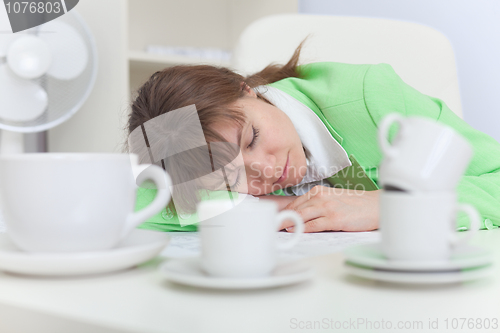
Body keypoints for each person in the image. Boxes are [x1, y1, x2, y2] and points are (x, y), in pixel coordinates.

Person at [127, 42, 500, 233]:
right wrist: (274, 209)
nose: (264, 170)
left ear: (248, 90)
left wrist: (385, 206)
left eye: (252, 137)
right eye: (231, 178)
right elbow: (136, 202)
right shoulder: (209, 172)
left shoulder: (371, 96)